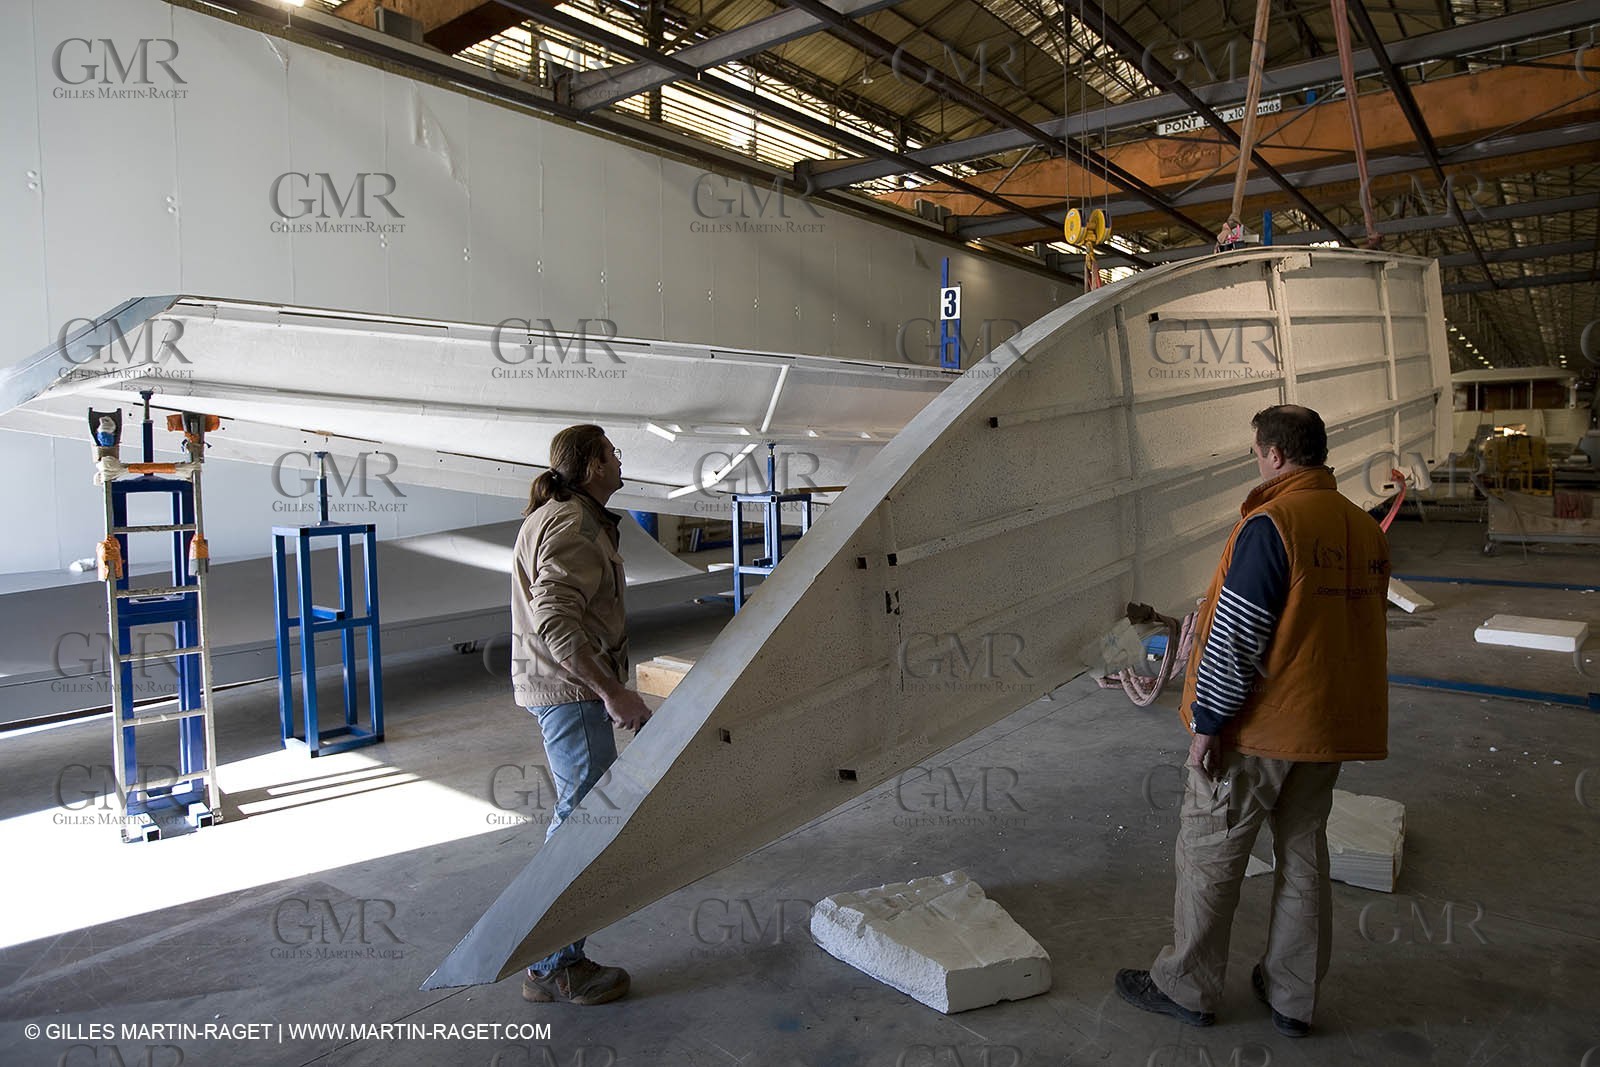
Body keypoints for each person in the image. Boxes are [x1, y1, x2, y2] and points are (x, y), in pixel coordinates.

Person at [1115, 405, 1390, 1039]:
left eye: (1255, 452)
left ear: (1271, 454)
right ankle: (1294, 997)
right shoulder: (1362, 528)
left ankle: (1187, 986)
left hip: (1260, 729)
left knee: (1212, 854)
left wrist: (1208, 722)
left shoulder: (1272, 524)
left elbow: (1238, 635)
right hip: (1328, 729)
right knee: (1302, 855)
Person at [510, 423, 652, 1006]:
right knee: (582, 820)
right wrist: (610, 691)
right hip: (570, 692)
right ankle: (552, 965)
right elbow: (556, 619)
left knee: (581, 814)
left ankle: (550, 958)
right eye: (613, 454)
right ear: (593, 465)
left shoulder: (565, 515)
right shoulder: (572, 523)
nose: (620, 463)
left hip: (563, 687)